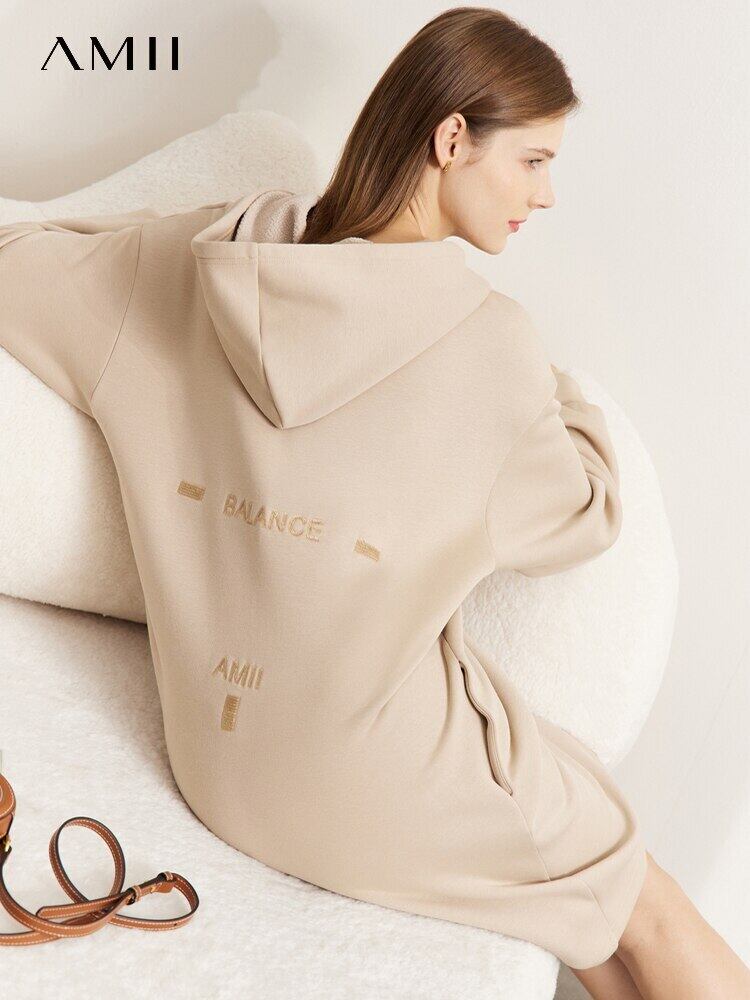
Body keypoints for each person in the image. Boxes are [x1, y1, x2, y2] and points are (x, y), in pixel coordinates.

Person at [1, 7, 748, 997]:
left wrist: (168, 237)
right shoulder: (489, 350)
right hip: (361, 777)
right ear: (452, 139)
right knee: (633, 895)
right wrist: (554, 383)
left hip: (221, 763)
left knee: (584, 912)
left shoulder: (192, 266)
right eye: (532, 160)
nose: (547, 193)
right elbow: (586, 513)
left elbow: (15, 261)